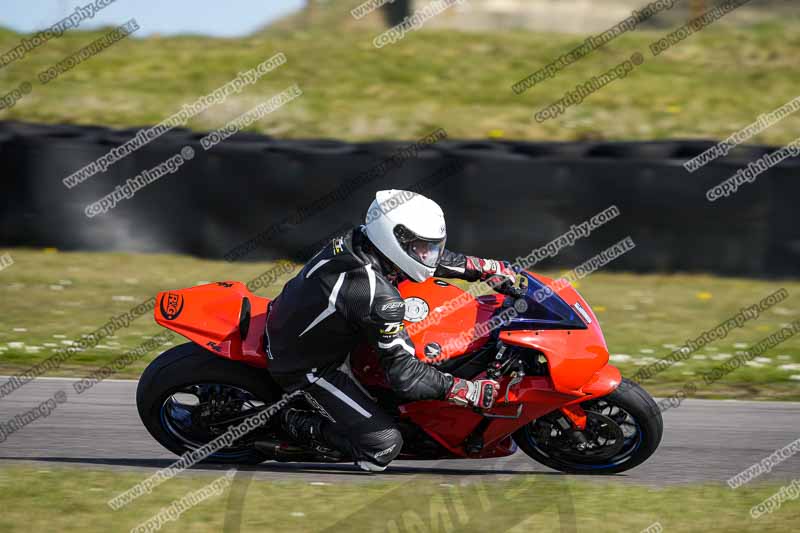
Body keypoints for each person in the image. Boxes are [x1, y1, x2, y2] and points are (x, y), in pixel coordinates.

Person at [265, 189, 517, 471]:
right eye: (423, 247)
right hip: (306, 365)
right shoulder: (376, 295)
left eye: (432, 246)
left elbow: (426, 261)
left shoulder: (363, 238)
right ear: (392, 238)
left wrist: (485, 268)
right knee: (383, 446)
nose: (429, 255)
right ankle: (293, 421)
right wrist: (465, 390)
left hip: (310, 320)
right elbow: (405, 377)